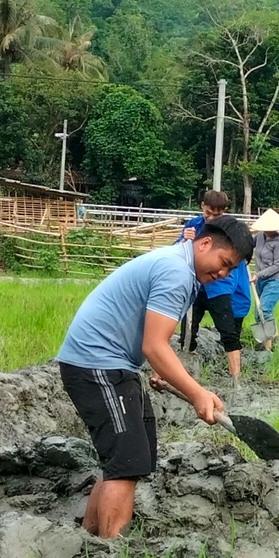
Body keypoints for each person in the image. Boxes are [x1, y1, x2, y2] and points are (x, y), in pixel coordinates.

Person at [55, 216, 254, 539]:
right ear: (204, 244)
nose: (223, 274)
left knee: (134, 455)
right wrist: (197, 392)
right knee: (126, 460)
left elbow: (147, 340)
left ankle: (91, 538)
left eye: (231, 270)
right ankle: (112, 554)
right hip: (97, 365)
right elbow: (154, 345)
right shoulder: (176, 272)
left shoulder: (180, 267)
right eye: (224, 263)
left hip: (115, 364)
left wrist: (171, 379)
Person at [181, 190, 248, 384]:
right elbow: (179, 249)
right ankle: (185, 373)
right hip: (196, 285)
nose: (210, 218)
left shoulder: (231, 229)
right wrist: (185, 239)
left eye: (216, 215)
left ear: (224, 212)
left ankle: (236, 379)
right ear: (202, 206)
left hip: (219, 286)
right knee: (187, 332)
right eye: (208, 213)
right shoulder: (193, 226)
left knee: (228, 331)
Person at [250, 209, 279, 351]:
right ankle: (274, 340)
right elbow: (249, 245)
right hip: (261, 280)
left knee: (265, 310)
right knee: (258, 314)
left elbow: (277, 266)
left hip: (275, 280)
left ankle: (268, 347)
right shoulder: (260, 236)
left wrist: (258, 275)